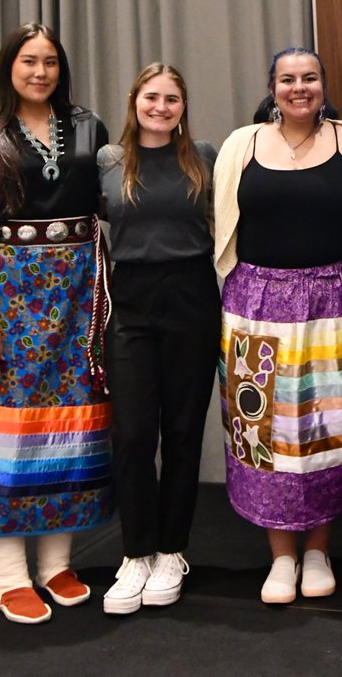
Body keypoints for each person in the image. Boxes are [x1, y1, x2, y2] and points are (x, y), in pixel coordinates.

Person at [0, 23, 112, 624]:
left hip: (78, 298)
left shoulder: (88, 128)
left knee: (70, 425)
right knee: (6, 433)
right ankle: (7, 573)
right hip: (9, 302)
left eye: (50, 62)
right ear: (9, 66)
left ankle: (57, 562)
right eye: (29, 61)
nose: (40, 72)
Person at [214, 47, 342, 605]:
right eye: (287, 79)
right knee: (263, 435)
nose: (298, 88)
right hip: (256, 307)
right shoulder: (241, 144)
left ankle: (318, 550)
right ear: (273, 87)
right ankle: (281, 557)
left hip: (337, 306)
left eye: (309, 78)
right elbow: (220, 226)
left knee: (330, 430)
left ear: (324, 85)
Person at [99, 63, 219, 615]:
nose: (161, 107)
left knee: (182, 431)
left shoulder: (205, 159)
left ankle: (172, 551)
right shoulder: (108, 162)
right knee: (131, 433)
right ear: (135, 100)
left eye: (172, 98)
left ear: (183, 106)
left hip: (192, 299)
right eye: (152, 97)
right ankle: (136, 553)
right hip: (131, 305)